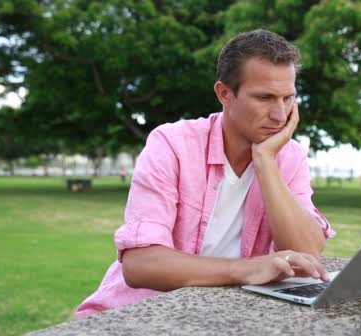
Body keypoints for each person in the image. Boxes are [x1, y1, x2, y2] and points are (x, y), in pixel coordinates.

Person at [75, 29, 335, 318]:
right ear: (225, 94)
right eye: (265, 97)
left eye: (288, 98)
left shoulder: (288, 155)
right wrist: (250, 269)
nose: (279, 114)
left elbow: (308, 252)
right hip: (139, 314)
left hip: (223, 316)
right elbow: (141, 264)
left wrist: (266, 161)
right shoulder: (172, 144)